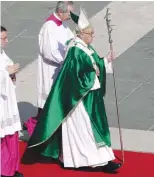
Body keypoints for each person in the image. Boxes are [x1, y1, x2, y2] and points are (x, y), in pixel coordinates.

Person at [26, 7, 122, 172]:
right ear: (81, 34)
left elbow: (94, 64)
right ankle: (91, 161)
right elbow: (74, 75)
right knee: (85, 132)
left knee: (90, 131)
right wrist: (93, 71)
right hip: (78, 101)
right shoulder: (75, 50)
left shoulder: (85, 47)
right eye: (90, 34)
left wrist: (105, 61)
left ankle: (101, 160)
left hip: (88, 97)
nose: (93, 36)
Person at [23, 1, 75, 136]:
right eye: (69, 13)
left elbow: (71, 40)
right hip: (50, 69)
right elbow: (49, 52)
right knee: (48, 103)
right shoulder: (49, 27)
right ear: (60, 12)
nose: (71, 15)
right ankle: (34, 127)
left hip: (61, 68)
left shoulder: (63, 24)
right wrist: (65, 60)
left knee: (55, 103)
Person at [0, 26, 23, 177]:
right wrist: (6, 73)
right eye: (4, 38)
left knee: (10, 133)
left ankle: (10, 168)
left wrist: (12, 73)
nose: (7, 41)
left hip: (7, 101)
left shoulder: (2, 53)